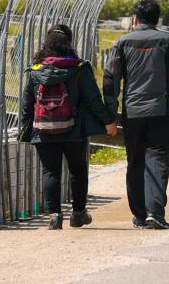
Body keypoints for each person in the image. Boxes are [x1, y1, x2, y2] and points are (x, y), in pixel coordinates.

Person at [103, 0, 169, 230]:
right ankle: (155, 213)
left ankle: (139, 215)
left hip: (132, 112)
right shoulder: (168, 41)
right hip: (159, 110)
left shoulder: (122, 42)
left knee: (135, 161)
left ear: (135, 18)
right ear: (157, 19)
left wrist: (110, 112)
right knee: (157, 158)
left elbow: (111, 77)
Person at [19, 24, 118, 230]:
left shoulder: (35, 70)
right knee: (78, 170)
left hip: (42, 129)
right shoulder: (78, 68)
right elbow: (92, 99)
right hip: (74, 129)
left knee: (50, 171)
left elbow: (26, 104)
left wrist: (24, 130)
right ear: (69, 43)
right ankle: (78, 214)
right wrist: (108, 121)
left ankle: (55, 215)